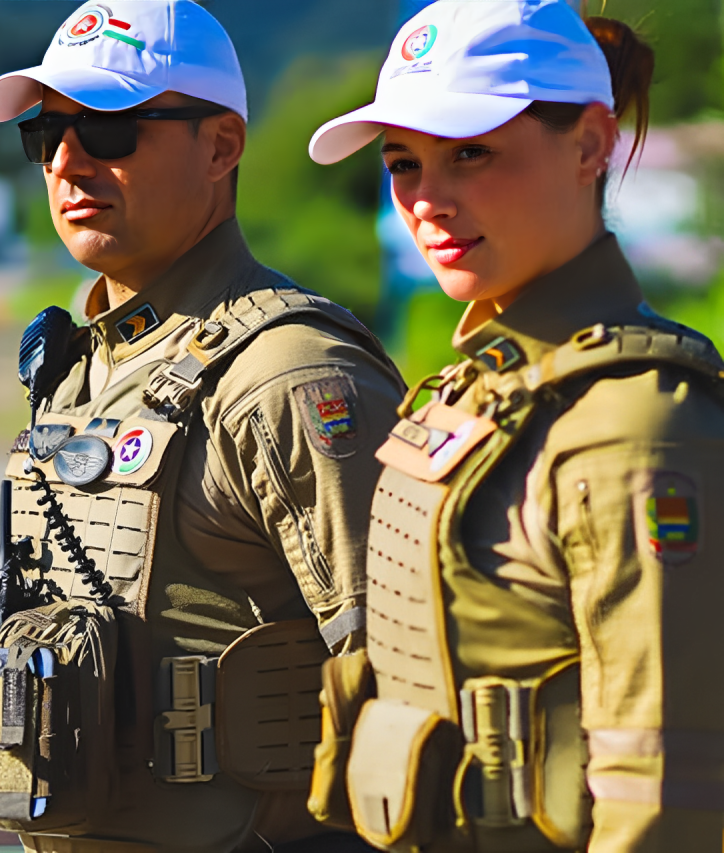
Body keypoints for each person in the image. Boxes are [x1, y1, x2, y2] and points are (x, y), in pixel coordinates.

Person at [0, 2, 405, 852]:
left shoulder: (290, 374)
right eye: (47, 133)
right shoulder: (78, 365)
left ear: (220, 146)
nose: (67, 161)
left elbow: (407, 681)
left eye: (110, 130)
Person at [306, 1, 724, 850]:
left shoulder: (635, 424)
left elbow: (664, 798)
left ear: (590, 145)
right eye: (403, 162)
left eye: (472, 154)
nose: (428, 199)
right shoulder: (475, 386)